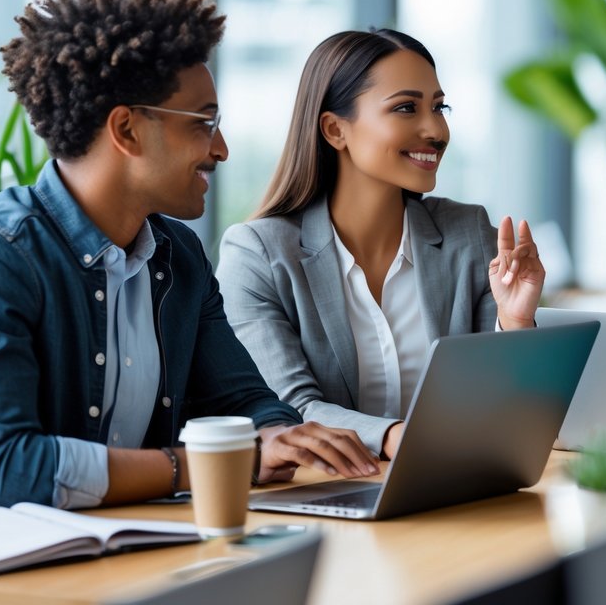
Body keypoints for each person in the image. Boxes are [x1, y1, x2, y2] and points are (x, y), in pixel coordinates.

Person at [0, 0, 381, 525]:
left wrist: (277, 435)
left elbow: (243, 402)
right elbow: (6, 472)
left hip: (125, 548)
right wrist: (198, 465)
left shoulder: (178, 255)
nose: (221, 149)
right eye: (204, 123)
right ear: (127, 130)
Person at [217, 29, 544, 460]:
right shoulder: (257, 255)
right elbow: (289, 410)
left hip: (456, 485)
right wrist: (395, 437)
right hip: (326, 490)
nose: (436, 129)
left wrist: (515, 321)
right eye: (406, 107)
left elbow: (506, 409)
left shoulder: (468, 234)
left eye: (439, 107)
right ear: (335, 129)